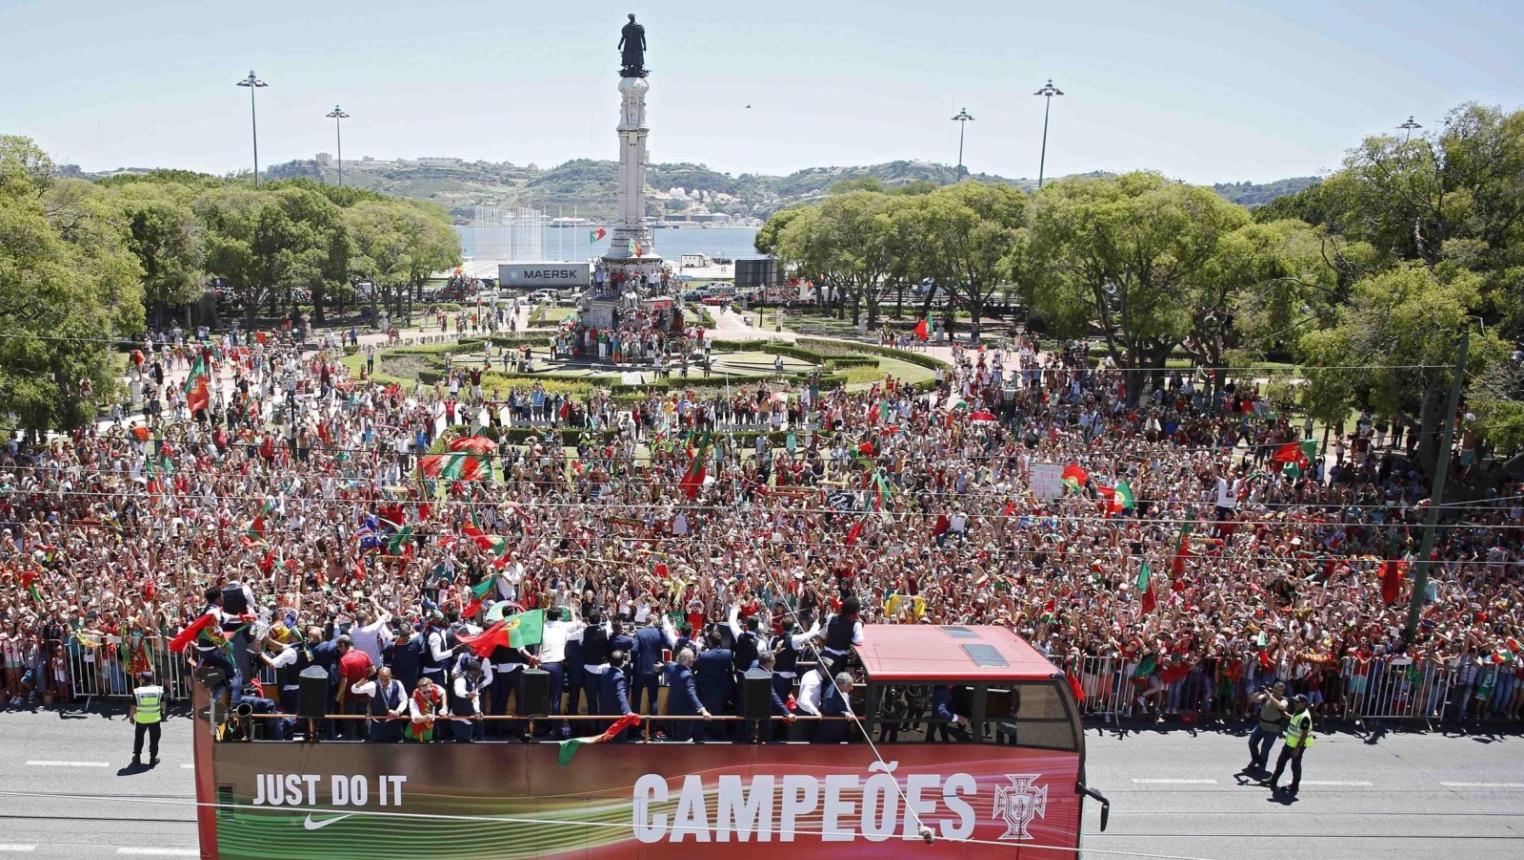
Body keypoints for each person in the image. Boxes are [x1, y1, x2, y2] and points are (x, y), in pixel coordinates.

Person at [1268, 695, 1314, 796]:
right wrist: (1286, 715)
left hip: (1297, 746)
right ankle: (1273, 782)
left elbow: (1304, 734)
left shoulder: (1305, 717)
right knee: (1280, 762)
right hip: (1289, 744)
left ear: (1304, 703)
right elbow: (1294, 718)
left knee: (1295, 766)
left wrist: (1297, 748)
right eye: (1295, 701)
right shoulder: (1298, 711)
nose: (1295, 703)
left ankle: (1294, 786)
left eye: (1297, 702)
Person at [664, 649, 709, 741]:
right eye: (691, 659)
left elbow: (667, 666)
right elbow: (691, 694)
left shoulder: (673, 667)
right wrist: (702, 709)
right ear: (686, 660)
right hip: (685, 712)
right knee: (682, 737)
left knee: (675, 736)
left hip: (672, 708)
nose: (693, 660)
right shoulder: (688, 676)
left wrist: (661, 666)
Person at [1245, 681, 1289, 774]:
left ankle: (1262, 766)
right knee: (1252, 743)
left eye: (1280, 690)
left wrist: (1270, 695)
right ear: (1273, 688)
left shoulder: (1283, 700)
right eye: (1276, 689)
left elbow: (1281, 706)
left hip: (1273, 730)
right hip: (1261, 726)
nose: (1277, 691)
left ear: (1283, 691)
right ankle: (1255, 759)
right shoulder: (1266, 696)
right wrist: (1260, 692)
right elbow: (1253, 699)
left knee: (1265, 750)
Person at [129, 671, 163, 767]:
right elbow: (163, 705)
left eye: (140, 678)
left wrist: (131, 717)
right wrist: (162, 713)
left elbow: (133, 707)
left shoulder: (137, 691)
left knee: (139, 737)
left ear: (144, 680)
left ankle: (137, 757)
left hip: (141, 719)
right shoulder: (158, 690)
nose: (139, 679)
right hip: (155, 719)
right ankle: (153, 759)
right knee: (154, 739)